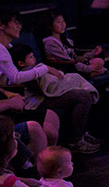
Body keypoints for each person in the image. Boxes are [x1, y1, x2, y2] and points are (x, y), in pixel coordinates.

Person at [8, 43, 100, 154]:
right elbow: (38, 87)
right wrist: (46, 73)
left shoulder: (37, 68)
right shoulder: (22, 74)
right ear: (21, 63)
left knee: (81, 88)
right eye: (31, 57)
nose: (34, 59)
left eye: (33, 56)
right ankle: (75, 141)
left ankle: (81, 133)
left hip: (47, 95)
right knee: (82, 96)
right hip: (38, 100)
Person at [0, 11, 63, 149]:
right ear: (2, 26)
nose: (19, 27)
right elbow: (16, 77)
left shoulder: (8, 48)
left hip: (12, 94)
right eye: (15, 23)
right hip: (10, 102)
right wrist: (45, 68)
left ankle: (50, 159)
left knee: (52, 118)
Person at [42, 11, 107, 78]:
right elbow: (68, 62)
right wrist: (89, 68)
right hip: (67, 70)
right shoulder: (50, 43)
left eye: (63, 21)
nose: (63, 24)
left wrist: (93, 53)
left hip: (76, 66)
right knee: (100, 68)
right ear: (50, 25)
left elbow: (75, 57)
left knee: (99, 61)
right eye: (58, 22)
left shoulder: (65, 40)